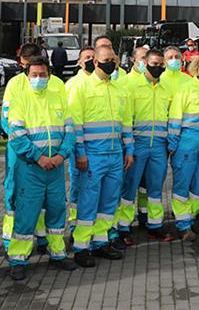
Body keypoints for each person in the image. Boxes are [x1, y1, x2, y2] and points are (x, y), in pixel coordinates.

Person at [6, 57, 78, 279]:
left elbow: (70, 130)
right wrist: (39, 158)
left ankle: (57, 253)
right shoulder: (20, 99)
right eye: (34, 75)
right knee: (26, 213)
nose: (39, 79)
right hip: (31, 168)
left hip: (55, 168)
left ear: (49, 75)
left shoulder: (58, 97)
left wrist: (60, 156)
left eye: (43, 75)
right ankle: (18, 258)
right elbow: (16, 136)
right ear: (27, 76)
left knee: (57, 210)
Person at [68, 45, 133, 267]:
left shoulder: (118, 90)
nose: (110, 64)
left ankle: (101, 241)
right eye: (105, 60)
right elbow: (75, 124)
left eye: (113, 60)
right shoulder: (81, 87)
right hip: (92, 155)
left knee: (109, 202)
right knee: (88, 202)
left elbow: (126, 124)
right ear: (94, 62)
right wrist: (80, 154)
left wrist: (129, 150)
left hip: (115, 155)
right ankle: (81, 247)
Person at [116, 49, 176, 243]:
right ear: (145, 63)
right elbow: (127, 120)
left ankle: (155, 225)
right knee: (129, 188)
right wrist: (129, 148)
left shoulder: (167, 88)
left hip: (159, 146)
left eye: (161, 65)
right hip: (138, 145)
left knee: (156, 188)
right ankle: (123, 228)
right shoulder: (132, 87)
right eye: (153, 64)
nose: (157, 67)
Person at [168, 53, 199, 240]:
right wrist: (173, 143)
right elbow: (175, 117)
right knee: (183, 184)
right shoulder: (185, 89)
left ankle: (191, 216)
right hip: (186, 145)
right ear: (198, 69)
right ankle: (183, 225)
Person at [63, 46, 96, 226]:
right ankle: (75, 219)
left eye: (93, 56)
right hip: (78, 144)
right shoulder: (73, 84)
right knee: (77, 183)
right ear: (79, 62)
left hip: (97, 146)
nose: (90, 60)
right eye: (86, 57)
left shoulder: (101, 82)